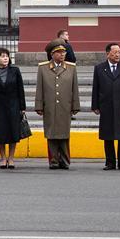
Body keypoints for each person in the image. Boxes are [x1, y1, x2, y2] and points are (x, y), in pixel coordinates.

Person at [91, 44, 120, 170]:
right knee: (108, 135)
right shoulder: (100, 68)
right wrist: (95, 105)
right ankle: (110, 161)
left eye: (119, 52)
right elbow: (96, 88)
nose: (118, 55)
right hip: (106, 106)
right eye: (115, 52)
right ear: (108, 54)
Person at [35, 41, 80, 169]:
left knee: (64, 135)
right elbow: (40, 88)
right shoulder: (43, 68)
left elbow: (74, 88)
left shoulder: (71, 68)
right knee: (51, 134)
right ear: (52, 54)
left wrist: (75, 105)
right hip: (49, 106)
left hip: (65, 106)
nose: (62, 54)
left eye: (63, 52)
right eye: (59, 52)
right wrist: (39, 105)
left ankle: (65, 160)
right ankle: (53, 160)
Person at [0, 47, 26, 169]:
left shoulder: (15, 71)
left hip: (13, 105)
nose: (5, 58)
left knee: (13, 132)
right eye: (2, 56)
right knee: (0, 132)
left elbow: (20, 90)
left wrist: (22, 107)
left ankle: (11, 158)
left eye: (7, 56)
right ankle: (3, 158)